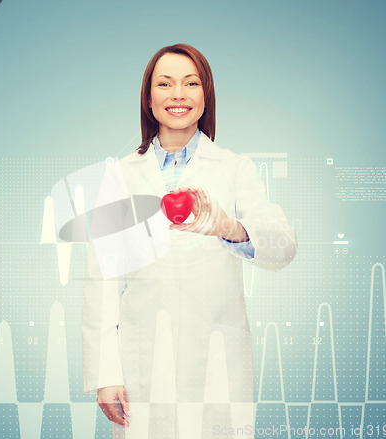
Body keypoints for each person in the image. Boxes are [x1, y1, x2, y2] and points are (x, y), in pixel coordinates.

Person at [82, 43, 297, 439]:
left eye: (190, 83)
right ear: (149, 99)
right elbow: (102, 278)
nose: (177, 94)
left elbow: (284, 246)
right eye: (165, 84)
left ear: (205, 96)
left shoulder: (235, 168)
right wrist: (105, 374)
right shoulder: (121, 175)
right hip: (143, 358)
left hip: (218, 358)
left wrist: (230, 227)